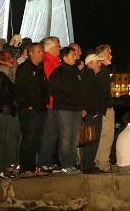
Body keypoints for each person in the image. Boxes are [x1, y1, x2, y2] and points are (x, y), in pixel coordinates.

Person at [48, 46, 85, 174]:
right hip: (64, 109)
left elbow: (80, 90)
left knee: (74, 138)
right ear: (64, 57)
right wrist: (68, 100)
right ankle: (65, 165)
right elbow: (54, 90)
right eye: (72, 55)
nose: (75, 57)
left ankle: (72, 164)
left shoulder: (76, 71)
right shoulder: (58, 72)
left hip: (76, 109)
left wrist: (82, 106)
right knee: (65, 136)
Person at [15, 43, 50, 177]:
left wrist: (44, 103)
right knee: (29, 138)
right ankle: (25, 168)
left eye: (42, 51)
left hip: (40, 108)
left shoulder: (39, 68)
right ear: (31, 53)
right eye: (39, 51)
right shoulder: (24, 68)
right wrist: (28, 104)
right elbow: (20, 89)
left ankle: (33, 166)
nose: (42, 53)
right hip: (30, 110)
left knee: (36, 138)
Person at [0, 49, 20, 176]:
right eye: (9, 58)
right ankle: (1, 168)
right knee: (3, 139)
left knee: (12, 139)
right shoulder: (1, 75)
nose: (12, 60)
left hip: (11, 110)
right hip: (4, 111)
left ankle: (11, 165)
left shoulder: (10, 74)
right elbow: (0, 95)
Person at [38, 36, 61, 171]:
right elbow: (52, 84)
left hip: (56, 103)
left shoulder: (56, 61)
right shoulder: (47, 61)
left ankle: (48, 160)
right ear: (51, 47)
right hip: (51, 103)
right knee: (49, 134)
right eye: (58, 46)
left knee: (53, 134)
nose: (60, 48)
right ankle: (43, 162)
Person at [80, 54, 105, 173]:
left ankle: (89, 165)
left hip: (93, 111)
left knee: (91, 139)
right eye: (97, 62)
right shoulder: (89, 75)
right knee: (91, 139)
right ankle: (88, 166)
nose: (99, 63)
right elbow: (92, 94)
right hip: (93, 112)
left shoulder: (88, 75)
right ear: (90, 64)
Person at [94, 44, 115, 172]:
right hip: (105, 109)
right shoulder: (103, 72)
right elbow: (102, 93)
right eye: (109, 53)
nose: (111, 56)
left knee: (101, 135)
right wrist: (107, 107)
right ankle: (103, 163)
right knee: (107, 136)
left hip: (102, 108)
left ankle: (98, 161)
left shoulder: (99, 71)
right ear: (101, 56)